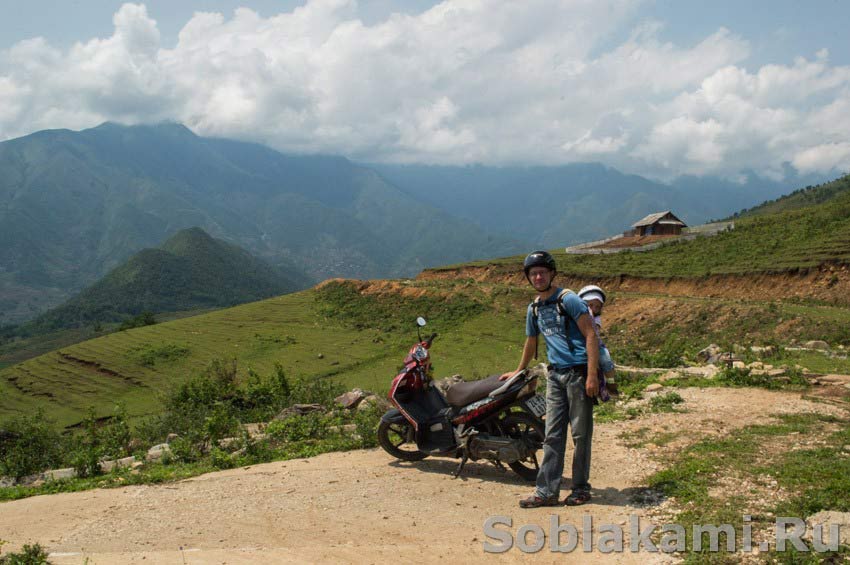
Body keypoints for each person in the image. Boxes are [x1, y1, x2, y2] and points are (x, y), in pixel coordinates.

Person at [500, 251, 599, 508]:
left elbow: (591, 335)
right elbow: (531, 341)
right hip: (554, 376)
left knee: (580, 435)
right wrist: (519, 369)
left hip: (578, 374)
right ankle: (546, 492)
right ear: (528, 277)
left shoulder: (569, 300)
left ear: (552, 273)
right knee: (552, 435)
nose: (538, 276)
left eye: (542, 271)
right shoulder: (534, 308)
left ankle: (580, 488)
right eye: (533, 273)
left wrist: (591, 376)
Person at [578, 285, 617, 388]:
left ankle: (611, 382)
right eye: (590, 305)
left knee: (606, 359)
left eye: (597, 307)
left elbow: (594, 330)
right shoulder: (575, 316)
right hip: (579, 344)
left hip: (596, 345)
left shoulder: (596, 318)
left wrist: (590, 317)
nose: (593, 309)